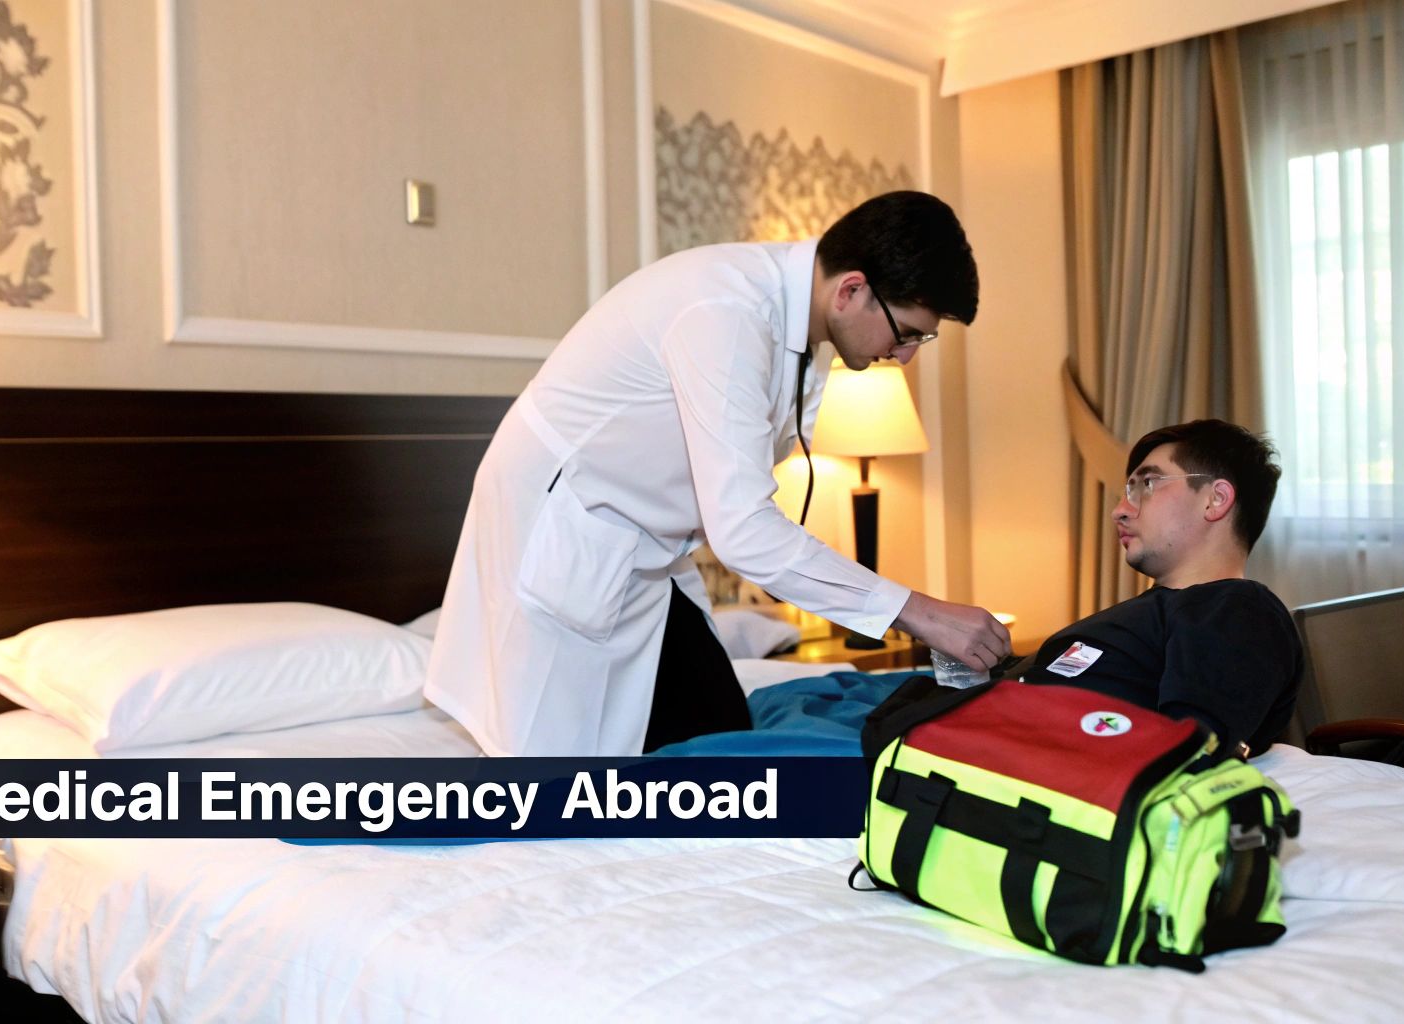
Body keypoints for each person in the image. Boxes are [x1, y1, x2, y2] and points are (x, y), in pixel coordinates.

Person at [426, 192, 1010, 756]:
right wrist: (921, 614)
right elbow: (745, 531)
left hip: (644, 558)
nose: (906, 355)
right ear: (851, 290)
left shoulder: (801, 327)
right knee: (557, 788)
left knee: (721, 736)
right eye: (908, 333)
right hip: (564, 539)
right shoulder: (725, 313)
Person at [1014, 419, 1301, 759]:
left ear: (1215, 499)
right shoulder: (1153, 612)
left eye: (1147, 484)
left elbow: (1187, 752)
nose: (1119, 511)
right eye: (1127, 490)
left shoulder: (1237, 610)